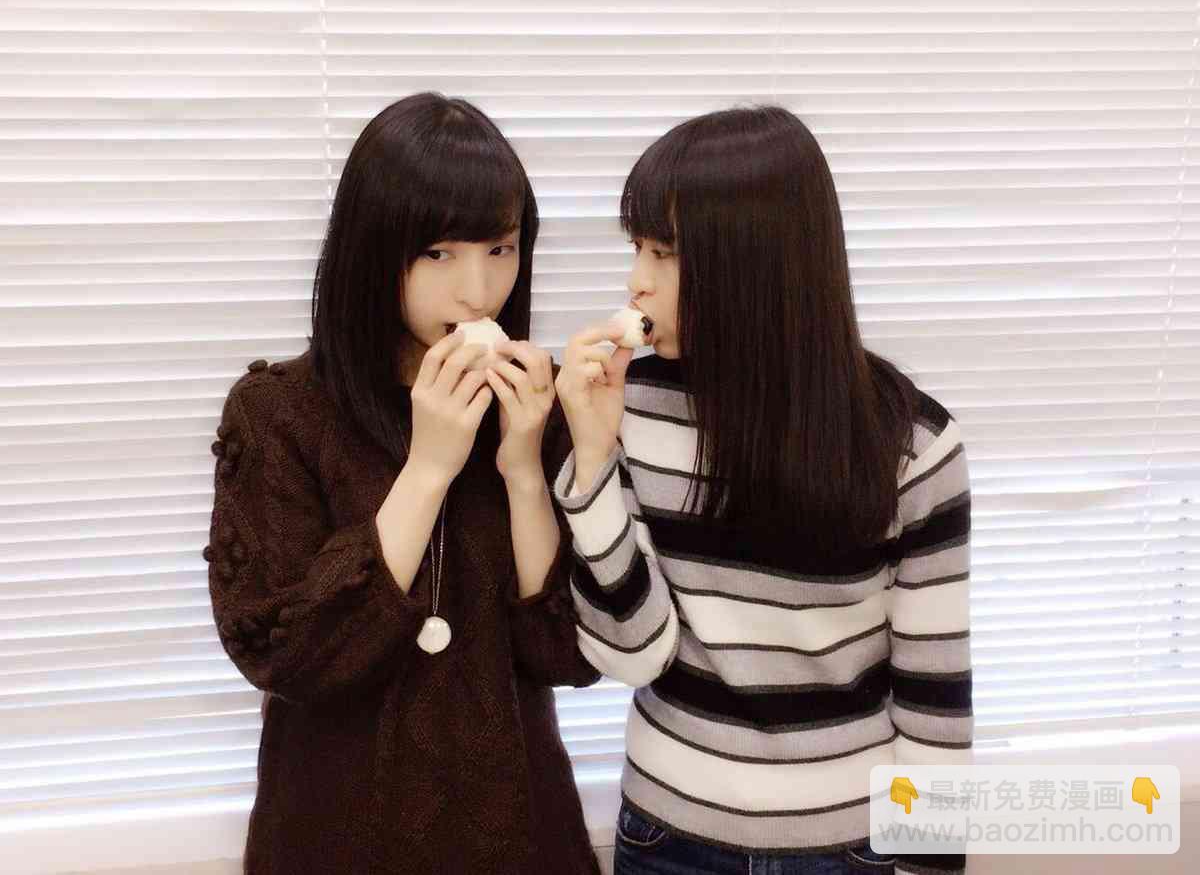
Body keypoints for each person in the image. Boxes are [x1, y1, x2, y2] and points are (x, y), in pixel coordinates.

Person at [551, 105, 974, 875]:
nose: (636, 281)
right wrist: (591, 460)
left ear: (752, 261)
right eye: (637, 247)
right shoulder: (628, 406)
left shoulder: (913, 443)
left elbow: (933, 702)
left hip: (847, 848)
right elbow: (631, 653)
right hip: (668, 838)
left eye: (664, 253)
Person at [205, 91, 603, 875]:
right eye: (439, 253)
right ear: (373, 251)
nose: (478, 290)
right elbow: (286, 653)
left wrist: (524, 469)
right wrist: (427, 468)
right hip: (334, 838)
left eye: (500, 248)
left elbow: (569, 652)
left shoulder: (537, 400)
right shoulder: (277, 412)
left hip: (519, 838)